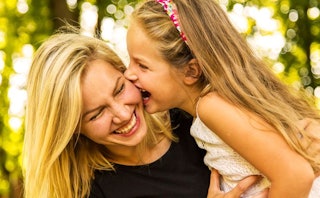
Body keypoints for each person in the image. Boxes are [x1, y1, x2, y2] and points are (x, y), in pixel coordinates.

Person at [22, 28, 261, 198]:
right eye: (96, 114)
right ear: (72, 128)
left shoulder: (192, 118)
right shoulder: (88, 191)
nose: (123, 115)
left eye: (119, 89)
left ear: (126, 72)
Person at [124, 0, 320, 197]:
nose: (128, 74)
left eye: (142, 65)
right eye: (130, 61)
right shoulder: (210, 110)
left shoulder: (211, 107)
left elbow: (295, 174)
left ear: (191, 71)